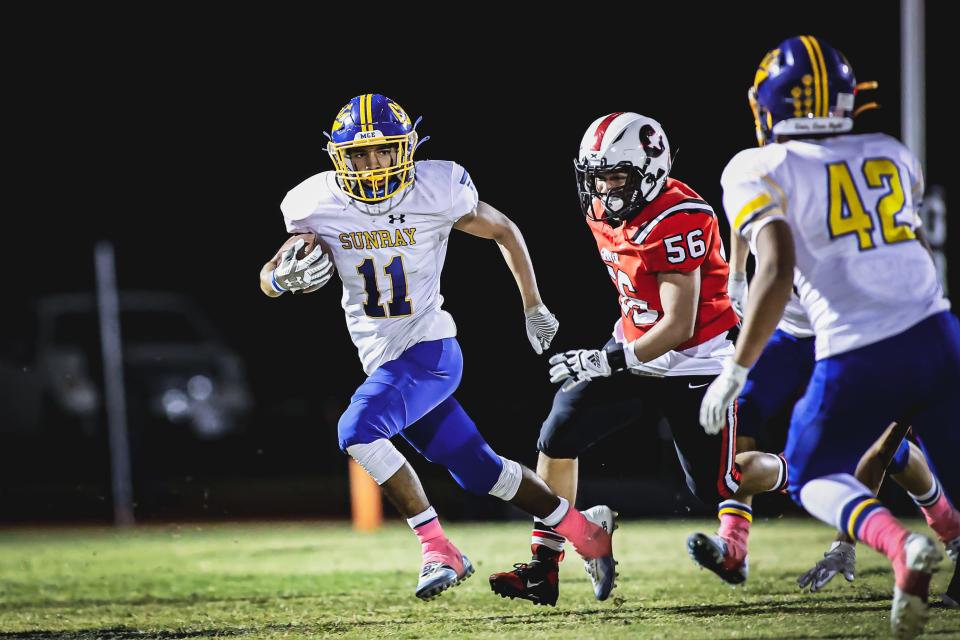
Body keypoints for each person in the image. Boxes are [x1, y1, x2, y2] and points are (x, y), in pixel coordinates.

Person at [259, 93, 616, 601]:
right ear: (340, 157)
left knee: (357, 429)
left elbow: (505, 231)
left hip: (430, 350)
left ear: (405, 149)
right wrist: (277, 281)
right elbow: (269, 272)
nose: (372, 163)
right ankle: (586, 533)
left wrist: (533, 305)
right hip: (383, 360)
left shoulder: (436, 187)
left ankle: (437, 548)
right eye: (359, 154)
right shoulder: (313, 203)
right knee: (482, 472)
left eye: (383, 150)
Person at [700, 36, 960, 638]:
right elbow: (914, 249)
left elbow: (779, 262)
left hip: (854, 345)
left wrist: (737, 364)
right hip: (936, 331)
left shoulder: (758, 166)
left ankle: (899, 547)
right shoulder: (890, 152)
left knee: (816, 473)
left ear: (769, 104)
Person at [489, 112, 787, 607]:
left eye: (615, 176)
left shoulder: (678, 216)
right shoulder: (605, 209)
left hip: (696, 361)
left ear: (649, 170)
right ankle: (547, 566)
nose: (604, 189)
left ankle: (807, 468)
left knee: (720, 487)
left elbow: (679, 325)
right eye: (597, 176)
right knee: (556, 435)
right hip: (634, 349)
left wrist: (608, 360)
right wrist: (616, 353)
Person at [728, 240, 959, 594]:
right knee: (887, 454)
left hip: (887, 337)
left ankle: (933, 538)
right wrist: (737, 275)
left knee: (869, 454)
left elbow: (878, 455)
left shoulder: (857, 293)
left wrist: (845, 543)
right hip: (907, 332)